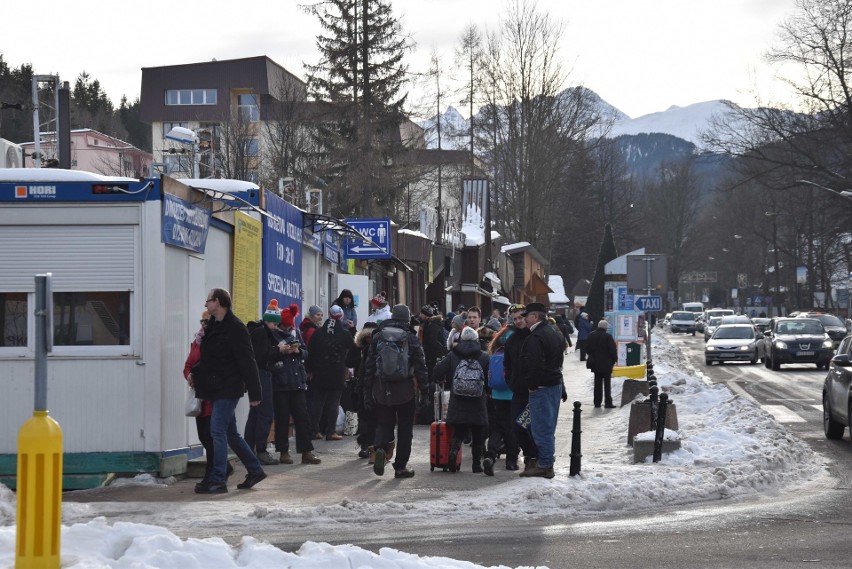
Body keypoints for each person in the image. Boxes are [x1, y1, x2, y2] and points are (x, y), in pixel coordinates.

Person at [191, 288, 266, 493]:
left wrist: (255, 393)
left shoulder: (235, 327)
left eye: (208, 301)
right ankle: (255, 469)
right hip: (215, 387)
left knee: (217, 431)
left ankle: (217, 479)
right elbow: (208, 359)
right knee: (231, 433)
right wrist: (195, 374)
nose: (206, 304)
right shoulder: (213, 325)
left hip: (229, 387)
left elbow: (247, 361)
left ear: (218, 302)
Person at [364, 304, 428, 479]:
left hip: (381, 388)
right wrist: (425, 391)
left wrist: (367, 392)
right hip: (405, 390)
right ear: (407, 319)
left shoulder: (378, 336)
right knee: (405, 428)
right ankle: (400, 467)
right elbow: (421, 367)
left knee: (384, 423)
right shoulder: (411, 338)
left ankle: (380, 449)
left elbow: (368, 366)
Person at [183, 310, 233, 487]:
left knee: (211, 437)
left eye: (207, 321)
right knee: (204, 437)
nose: (204, 324)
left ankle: (213, 472)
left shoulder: (215, 340)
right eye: (202, 321)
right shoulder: (196, 342)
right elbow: (189, 364)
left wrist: (202, 376)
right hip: (200, 398)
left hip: (213, 397)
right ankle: (223, 467)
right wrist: (189, 375)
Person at [267, 303, 321, 465]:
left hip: (297, 381)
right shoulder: (272, 335)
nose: (290, 326)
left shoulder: (296, 332)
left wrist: (298, 351)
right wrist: (281, 351)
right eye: (287, 323)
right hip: (281, 383)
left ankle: (306, 452)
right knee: (282, 419)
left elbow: (305, 352)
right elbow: (268, 356)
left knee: (302, 418)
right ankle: (283, 452)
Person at [432, 326, 490, 473]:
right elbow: (489, 378)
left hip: (458, 399)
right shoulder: (483, 356)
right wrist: (487, 391)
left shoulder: (453, 355)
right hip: (478, 400)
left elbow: (438, 370)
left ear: (461, 339)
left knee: (459, 430)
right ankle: (476, 465)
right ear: (477, 339)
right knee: (478, 432)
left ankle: (453, 451)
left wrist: (442, 379)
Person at [518, 302, 565, 479]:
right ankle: (546, 462)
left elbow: (533, 364)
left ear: (535, 317)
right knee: (547, 427)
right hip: (553, 385)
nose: (525, 319)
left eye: (526, 316)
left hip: (542, 387)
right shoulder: (553, 332)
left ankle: (545, 465)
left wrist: (531, 384)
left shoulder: (536, 337)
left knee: (541, 428)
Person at [306, 305, 355, 441]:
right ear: (342, 316)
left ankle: (314, 431)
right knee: (333, 402)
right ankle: (331, 431)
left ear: (329, 315)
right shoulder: (345, 334)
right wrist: (348, 366)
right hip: (337, 373)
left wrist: (309, 370)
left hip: (319, 372)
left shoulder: (318, 332)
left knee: (317, 402)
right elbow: (353, 350)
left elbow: (311, 353)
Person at [244, 300, 283, 466]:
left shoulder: (258, 330)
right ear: (270, 321)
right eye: (275, 324)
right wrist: (278, 350)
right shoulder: (261, 333)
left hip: (257, 376)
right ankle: (261, 450)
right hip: (262, 376)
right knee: (266, 414)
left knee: (255, 413)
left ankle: (247, 449)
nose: (276, 327)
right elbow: (262, 356)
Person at [503, 303, 537, 474]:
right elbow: (507, 365)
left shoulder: (536, 336)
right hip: (518, 391)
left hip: (537, 391)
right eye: (514, 318)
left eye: (521, 317)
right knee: (517, 426)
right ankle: (530, 456)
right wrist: (511, 382)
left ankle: (535, 459)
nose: (518, 321)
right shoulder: (512, 340)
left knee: (534, 427)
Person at [484, 322, 520, 474]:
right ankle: (511, 461)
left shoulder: (497, 346)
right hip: (513, 393)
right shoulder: (517, 341)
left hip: (497, 394)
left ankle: (491, 455)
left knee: (498, 427)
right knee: (513, 428)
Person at [350, 321, 378, 459]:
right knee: (366, 417)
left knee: (371, 418)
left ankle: (369, 445)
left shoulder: (373, 349)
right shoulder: (362, 349)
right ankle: (366, 445)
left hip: (372, 388)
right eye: (366, 337)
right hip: (364, 387)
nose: (369, 339)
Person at [417, 304, 448, 424]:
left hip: (432, 362)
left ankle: (432, 414)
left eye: (422, 313)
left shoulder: (430, 327)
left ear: (426, 315)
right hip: (437, 360)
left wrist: (427, 360)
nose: (420, 315)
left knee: (433, 388)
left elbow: (430, 346)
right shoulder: (437, 325)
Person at [586, 319, 618, 408]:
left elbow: (587, 349)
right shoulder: (608, 336)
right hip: (607, 364)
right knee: (607, 384)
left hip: (595, 363)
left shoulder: (591, 335)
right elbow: (612, 350)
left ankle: (597, 402)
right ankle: (608, 403)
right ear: (606, 328)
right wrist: (615, 359)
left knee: (597, 383)